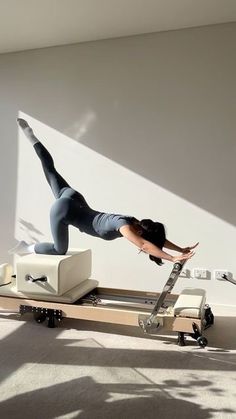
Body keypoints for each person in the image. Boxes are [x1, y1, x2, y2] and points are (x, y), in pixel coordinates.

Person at [10, 118, 198, 265]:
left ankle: (30, 135)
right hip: (66, 210)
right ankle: (26, 247)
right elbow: (144, 244)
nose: (139, 240)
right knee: (59, 250)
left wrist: (180, 249)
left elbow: (153, 239)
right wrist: (171, 258)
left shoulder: (132, 221)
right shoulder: (125, 227)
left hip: (73, 198)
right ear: (140, 230)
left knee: (50, 170)